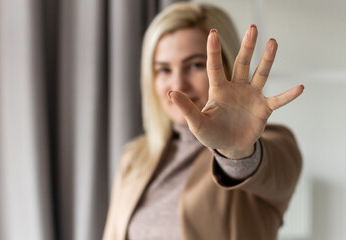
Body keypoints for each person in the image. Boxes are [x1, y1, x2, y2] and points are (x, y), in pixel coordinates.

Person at [103, 2, 304, 240]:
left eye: (196, 65)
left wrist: (235, 150)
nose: (178, 85)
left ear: (227, 65)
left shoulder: (272, 145)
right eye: (164, 70)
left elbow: (262, 168)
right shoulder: (135, 158)